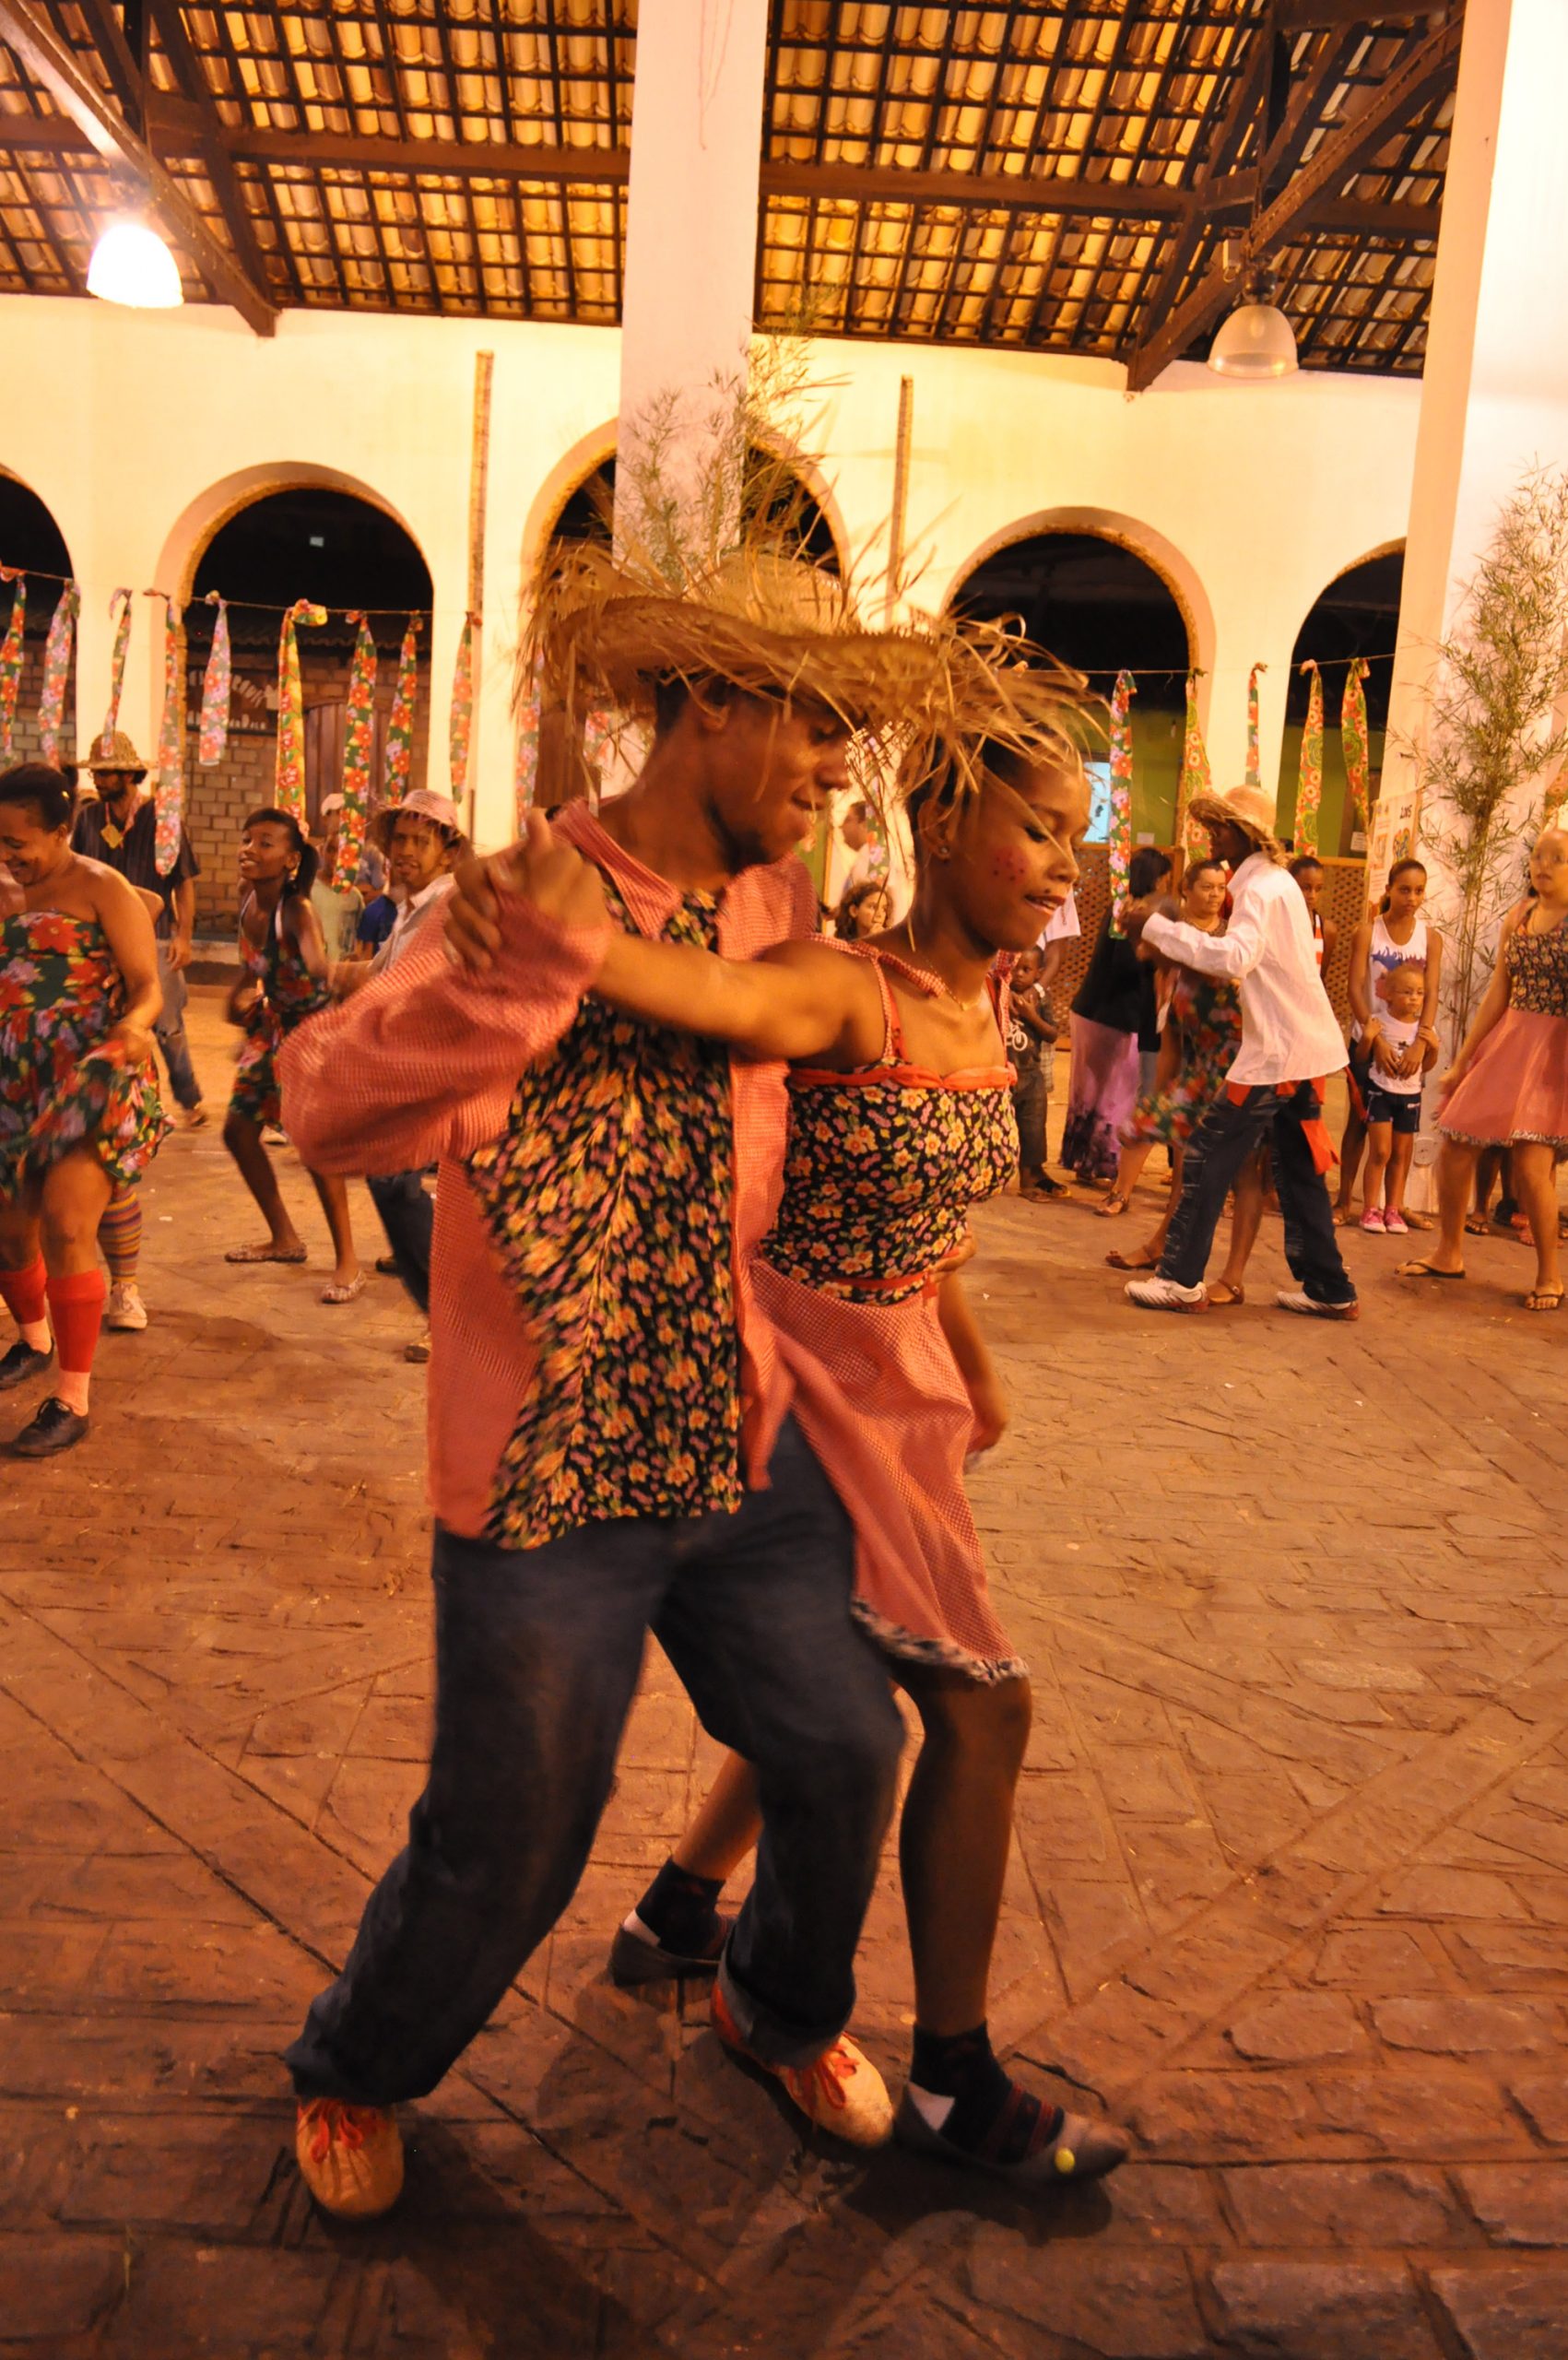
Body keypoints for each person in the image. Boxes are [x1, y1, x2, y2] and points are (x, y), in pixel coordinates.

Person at [273, 544, 940, 2221]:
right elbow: (323, 1108)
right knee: (512, 1833)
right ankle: (358, 2064)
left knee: (846, 1741)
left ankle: (772, 2002)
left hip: (739, 1437)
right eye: (813, 728)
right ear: (708, 703)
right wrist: (514, 976)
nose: (830, 769)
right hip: (550, 1468)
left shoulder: (777, 909)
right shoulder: (506, 902)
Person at [493, 688, 1127, 2188]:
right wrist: (559, 917)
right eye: (1033, 827)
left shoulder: (990, 1009)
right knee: (978, 1709)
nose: (1060, 865)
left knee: (837, 1691)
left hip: (898, 1379)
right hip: (792, 1380)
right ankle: (953, 2083)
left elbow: (932, 1224)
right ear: (936, 821)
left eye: (1075, 836)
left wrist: (972, 1374)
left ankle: (670, 1914)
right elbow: (724, 1003)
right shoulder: (848, 986)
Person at [1122, 785, 1357, 1319]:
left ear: (1245, 833)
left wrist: (1158, 927)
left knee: (1208, 1154)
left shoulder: (1259, 887)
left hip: (1276, 1051)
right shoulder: (1271, 883)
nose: (1213, 835)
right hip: (1300, 1047)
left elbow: (1235, 959)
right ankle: (1329, 1288)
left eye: (1221, 826)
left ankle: (1181, 1279)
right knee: (1299, 1170)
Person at [0, 762, 167, 1455]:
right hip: (15, 1083)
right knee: (11, 1234)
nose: (9, 857)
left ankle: (72, 1398)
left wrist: (132, 1031)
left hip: (92, 1081)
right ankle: (34, 1340)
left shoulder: (104, 890)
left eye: (19, 843)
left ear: (63, 830)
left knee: (68, 1225)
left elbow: (148, 987)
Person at [1398, 825, 1568, 1311]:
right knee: (1457, 1142)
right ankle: (1449, 1252)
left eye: (1557, 858)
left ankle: (1549, 1276)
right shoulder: (1519, 914)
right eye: (1538, 855)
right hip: (1510, 1040)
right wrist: (1466, 1057)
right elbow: (1499, 990)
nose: (1544, 865)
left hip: (1555, 1048)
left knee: (1533, 1164)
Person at [1102, 858, 1265, 1306]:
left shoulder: (1213, 971)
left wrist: (1164, 1108)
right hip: (1206, 1075)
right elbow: (1173, 1042)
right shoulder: (1168, 973)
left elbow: (1246, 1030)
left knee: (1245, 1175)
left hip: (1247, 1074)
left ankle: (1230, 1277)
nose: (1136, 947)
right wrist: (1156, 1103)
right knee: (1184, 1164)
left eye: (1141, 937)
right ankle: (1163, 1249)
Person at [333, 789, 465, 1345]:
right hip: (414, 1066)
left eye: (420, 841)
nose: (405, 851)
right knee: (410, 1188)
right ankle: (447, 1311)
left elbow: (415, 984)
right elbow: (381, 972)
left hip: (441, 1068)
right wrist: (333, 971)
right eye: (399, 840)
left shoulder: (448, 908)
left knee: (396, 1183)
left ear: (449, 853)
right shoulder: (410, 907)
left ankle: (449, 1317)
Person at [222, 809, 363, 1304]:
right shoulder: (247, 903)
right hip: (272, 1026)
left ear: (291, 859)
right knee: (237, 1131)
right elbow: (251, 968)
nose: (249, 850)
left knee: (315, 1146)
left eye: (265, 843)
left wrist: (365, 973)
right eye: (247, 839)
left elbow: (322, 968)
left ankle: (348, 1261)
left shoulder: (296, 910)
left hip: (312, 1031)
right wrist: (239, 998)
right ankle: (284, 1238)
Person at [71, 731, 206, 1127]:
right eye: (95, 772)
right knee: (104, 1019)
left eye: (106, 772)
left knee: (166, 1025)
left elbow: (184, 881)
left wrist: (184, 936)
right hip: (101, 938)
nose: (98, 779)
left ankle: (189, 1098)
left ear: (129, 774)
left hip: (157, 935)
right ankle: (115, 1104)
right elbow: (75, 872)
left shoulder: (163, 818)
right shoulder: (90, 818)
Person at [1098, 856, 1227, 1220]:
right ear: (1186, 889)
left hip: (1210, 1042)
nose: (1215, 895)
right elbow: (1143, 955)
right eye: (1206, 887)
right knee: (1152, 1105)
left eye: (1221, 888)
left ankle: (1180, 1204)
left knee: (1196, 1123)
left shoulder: (1231, 935)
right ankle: (1120, 1191)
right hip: (1164, 1026)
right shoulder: (1171, 924)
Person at [1333, 858, 1444, 1225]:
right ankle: (1344, 1200)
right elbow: (1354, 987)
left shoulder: (1430, 938)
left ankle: (1393, 1205)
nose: (1412, 897)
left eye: (1418, 890)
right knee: (1358, 1123)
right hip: (1370, 1039)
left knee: (1402, 1132)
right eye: (1404, 889)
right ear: (1389, 890)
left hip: (1409, 1047)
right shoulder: (1368, 932)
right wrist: (1373, 1035)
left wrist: (1421, 1044)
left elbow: (1432, 993)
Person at [1059, 847, 1171, 1187]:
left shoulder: (1122, 907)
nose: (1168, 885)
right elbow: (1126, 964)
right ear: (1155, 879)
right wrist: (1158, 957)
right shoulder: (1135, 913)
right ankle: (1106, 1165)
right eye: (1166, 878)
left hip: (1093, 1012)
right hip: (1115, 1019)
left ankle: (1084, 1161)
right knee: (1114, 1095)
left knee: (1090, 1093)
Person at [1360, 962, 1438, 1234]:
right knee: (1381, 1151)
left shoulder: (1424, 1030)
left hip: (1410, 1095)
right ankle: (1370, 1208)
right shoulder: (1378, 1022)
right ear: (1388, 994)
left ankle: (1393, 1208)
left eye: (1419, 993)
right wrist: (1368, 1039)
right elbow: (1361, 1059)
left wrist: (1434, 1049)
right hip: (1380, 1091)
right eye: (1407, 992)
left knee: (1401, 1154)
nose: (1414, 998)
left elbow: (1425, 1067)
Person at [1007, 943, 1057, 1195]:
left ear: (1039, 973)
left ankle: (1030, 1178)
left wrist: (1030, 1015)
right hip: (1004, 1074)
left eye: (1026, 969)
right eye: (1015, 968)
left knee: (1034, 1127)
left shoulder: (1041, 999)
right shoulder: (999, 993)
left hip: (1031, 1074)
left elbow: (1052, 1034)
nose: (1018, 974)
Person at [309, 795, 366, 962]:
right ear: (322, 851)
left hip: (342, 973)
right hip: (314, 971)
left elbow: (359, 939)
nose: (335, 858)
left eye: (342, 852)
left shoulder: (354, 897)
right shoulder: (309, 889)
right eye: (331, 850)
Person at [1289, 854, 1338, 984]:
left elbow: (1320, 980)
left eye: (1318, 889)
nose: (1312, 895)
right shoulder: (1278, 924)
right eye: (1306, 888)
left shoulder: (1327, 930)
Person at [838, 797, 886, 895]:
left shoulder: (873, 863)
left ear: (865, 825)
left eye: (848, 820)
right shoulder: (872, 859)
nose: (841, 826)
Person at [835, 874, 893, 939]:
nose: (880, 915)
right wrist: (869, 942)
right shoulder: (840, 944)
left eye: (884, 909)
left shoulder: (887, 945)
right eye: (873, 907)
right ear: (854, 911)